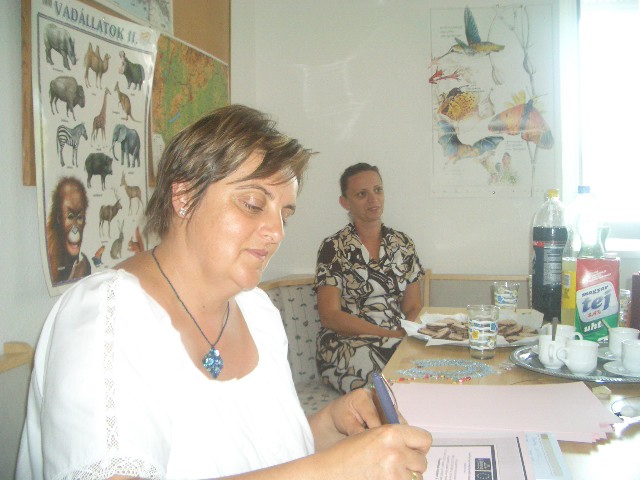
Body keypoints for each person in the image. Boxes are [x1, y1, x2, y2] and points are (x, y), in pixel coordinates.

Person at [17, 106, 431, 480]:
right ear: (183, 197)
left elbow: (254, 460)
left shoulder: (257, 311)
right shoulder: (105, 318)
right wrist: (331, 470)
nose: (277, 232)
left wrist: (329, 426)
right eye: (252, 204)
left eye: (284, 214)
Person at [315, 163, 424, 394]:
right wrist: (389, 336)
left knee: (427, 363)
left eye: (377, 190)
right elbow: (330, 315)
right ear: (345, 202)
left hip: (397, 338)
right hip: (347, 343)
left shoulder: (403, 244)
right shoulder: (333, 247)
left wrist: (406, 335)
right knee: (381, 371)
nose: (373, 199)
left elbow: (413, 306)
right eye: (362, 194)